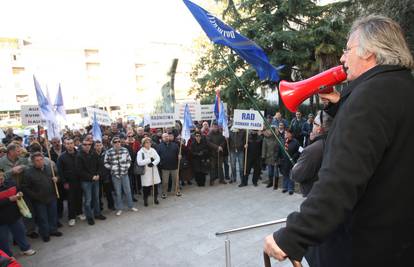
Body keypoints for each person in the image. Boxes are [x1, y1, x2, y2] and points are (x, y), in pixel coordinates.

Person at [264, 15, 414, 267]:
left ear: (369, 52)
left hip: (361, 249)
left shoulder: (369, 98)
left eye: (348, 50)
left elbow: (340, 182)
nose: (343, 58)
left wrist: (293, 235)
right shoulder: (403, 87)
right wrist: (342, 102)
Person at [21, 152, 62, 242]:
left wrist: (57, 179)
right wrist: (35, 196)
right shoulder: (28, 173)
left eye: (41, 160)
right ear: (33, 162)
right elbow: (25, 187)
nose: (40, 162)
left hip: (51, 196)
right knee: (42, 218)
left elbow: (58, 175)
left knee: (53, 215)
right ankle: (45, 233)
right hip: (39, 200)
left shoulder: (49, 168)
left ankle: (53, 230)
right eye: (37, 161)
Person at [0, 169, 36, 256]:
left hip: (15, 215)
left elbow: (18, 189)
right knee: (3, 239)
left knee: (20, 233)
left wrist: (19, 193)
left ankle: (25, 249)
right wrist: (9, 199)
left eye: (1, 176)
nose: (1, 179)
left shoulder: (10, 182)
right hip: (1, 220)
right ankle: (8, 256)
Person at [104, 137, 138, 216]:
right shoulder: (108, 152)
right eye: (115, 142)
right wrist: (112, 167)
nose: (117, 143)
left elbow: (129, 160)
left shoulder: (125, 150)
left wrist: (127, 166)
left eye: (119, 141)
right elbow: (105, 163)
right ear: (112, 143)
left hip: (124, 174)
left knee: (128, 191)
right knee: (118, 192)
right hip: (115, 176)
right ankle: (120, 208)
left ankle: (131, 206)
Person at [76, 140, 106, 225]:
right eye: (85, 144)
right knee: (88, 200)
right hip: (86, 182)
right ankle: (89, 217)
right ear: (82, 145)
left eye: (89, 144)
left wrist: (98, 174)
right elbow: (80, 171)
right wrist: (91, 177)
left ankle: (97, 214)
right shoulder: (79, 156)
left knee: (96, 198)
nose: (87, 146)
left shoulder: (94, 154)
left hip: (96, 179)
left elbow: (100, 165)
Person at [57, 138, 84, 227]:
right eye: (67, 143)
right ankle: (71, 217)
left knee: (79, 197)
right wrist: (64, 182)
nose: (70, 145)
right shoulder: (62, 157)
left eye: (71, 143)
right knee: (71, 200)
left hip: (80, 180)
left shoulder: (79, 153)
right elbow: (60, 171)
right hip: (69, 182)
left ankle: (79, 212)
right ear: (65, 145)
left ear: (74, 144)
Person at [136, 137, 161, 206]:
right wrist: (149, 160)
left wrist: (153, 163)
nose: (149, 143)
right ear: (143, 144)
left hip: (153, 169)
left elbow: (158, 158)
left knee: (155, 185)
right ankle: (145, 200)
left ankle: (155, 198)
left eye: (149, 142)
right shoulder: (140, 152)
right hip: (146, 172)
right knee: (146, 187)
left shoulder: (153, 150)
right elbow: (139, 162)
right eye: (147, 142)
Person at [157, 133, 180, 198]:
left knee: (176, 180)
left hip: (174, 166)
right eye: (164, 137)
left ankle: (177, 191)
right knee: (165, 182)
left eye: (167, 136)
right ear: (162, 138)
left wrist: (179, 156)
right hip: (165, 167)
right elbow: (157, 156)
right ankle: (164, 192)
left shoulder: (175, 145)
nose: (166, 137)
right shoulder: (159, 146)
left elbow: (178, 153)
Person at [278, 128, 300, 195]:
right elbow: (280, 150)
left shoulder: (295, 142)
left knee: (291, 175)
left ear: (290, 134)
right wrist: (279, 158)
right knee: (285, 175)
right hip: (284, 162)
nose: (285, 134)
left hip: (291, 162)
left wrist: (293, 157)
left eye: (286, 133)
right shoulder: (283, 141)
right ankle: (285, 187)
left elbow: (299, 151)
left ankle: (291, 188)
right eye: (284, 133)